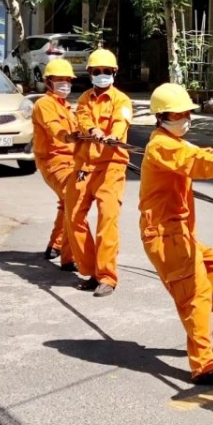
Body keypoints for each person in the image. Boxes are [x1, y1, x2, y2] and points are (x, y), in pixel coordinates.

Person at [139, 83, 213, 386]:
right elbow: (194, 162)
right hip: (165, 236)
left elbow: (196, 154)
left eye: (188, 112)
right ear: (162, 116)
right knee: (196, 296)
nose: (186, 118)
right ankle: (204, 366)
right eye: (180, 113)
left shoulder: (172, 142)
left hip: (179, 234)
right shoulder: (161, 146)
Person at [71, 48, 131, 297]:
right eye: (98, 72)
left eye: (107, 71)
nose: (102, 75)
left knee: (106, 221)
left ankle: (107, 276)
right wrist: (93, 130)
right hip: (85, 167)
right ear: (91, 74)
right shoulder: (85, 98)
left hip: (111, 167)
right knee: (74, 217)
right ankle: (92, 272)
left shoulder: (122, 100)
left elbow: (121, 121)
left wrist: (112, 137)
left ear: (114, 73)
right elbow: (83, 118)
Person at [30, 58, 82, 273]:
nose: (64, 84)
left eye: (67, 80)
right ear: (48, 82)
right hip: (53, 162)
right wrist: (68, 136)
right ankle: (71, 257)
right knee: (74, 197)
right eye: (58, 80)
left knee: (66, 201)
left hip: (73, 161)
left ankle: (56, 244)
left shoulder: (68, 107)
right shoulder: (44, 104)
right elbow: (54, 129)